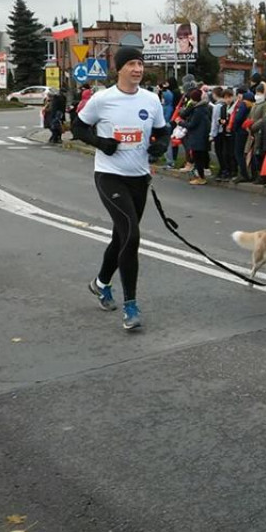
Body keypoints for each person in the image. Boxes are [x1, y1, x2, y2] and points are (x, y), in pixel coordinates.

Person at [70, 46, 169, 331]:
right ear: (120, 69)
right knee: (132, 234)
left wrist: (160, 145)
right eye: (132, 64)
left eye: (140, 64)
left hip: (138, 178)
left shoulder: (151, 100)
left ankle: (100, 283)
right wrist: (102, 143)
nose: (138, 69)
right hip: (109, 176)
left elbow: (162, 130)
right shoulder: (103, 99)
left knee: (121, 238)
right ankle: (131, 306)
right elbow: (78, 128)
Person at [179, 88, 212, 185]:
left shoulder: (198, 110)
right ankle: (201, 175)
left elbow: (192, 124)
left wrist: (181, 123)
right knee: (201, 156)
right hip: (203, 135)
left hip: (198, 136)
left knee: (198, 158)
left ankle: (201, 177)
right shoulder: (205, 107)